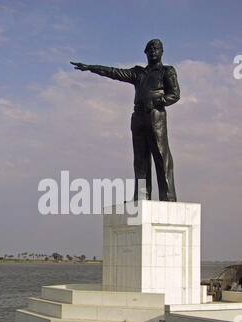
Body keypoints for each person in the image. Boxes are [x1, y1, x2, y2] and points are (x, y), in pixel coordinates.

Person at [71, 39, 180, 202]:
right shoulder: (138, 73)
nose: (153, 51)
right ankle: (142, 196)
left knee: (161, 155)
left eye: (156, 49)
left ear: (162, 51)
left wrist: (157, 101)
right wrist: (90, 68)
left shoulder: (167, 71)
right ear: (145, 52)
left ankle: (168, 197)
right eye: (150, 49)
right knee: (140, 160)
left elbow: (175, 94)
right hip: (138, 117)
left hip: (155, 116)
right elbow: (114, 72)